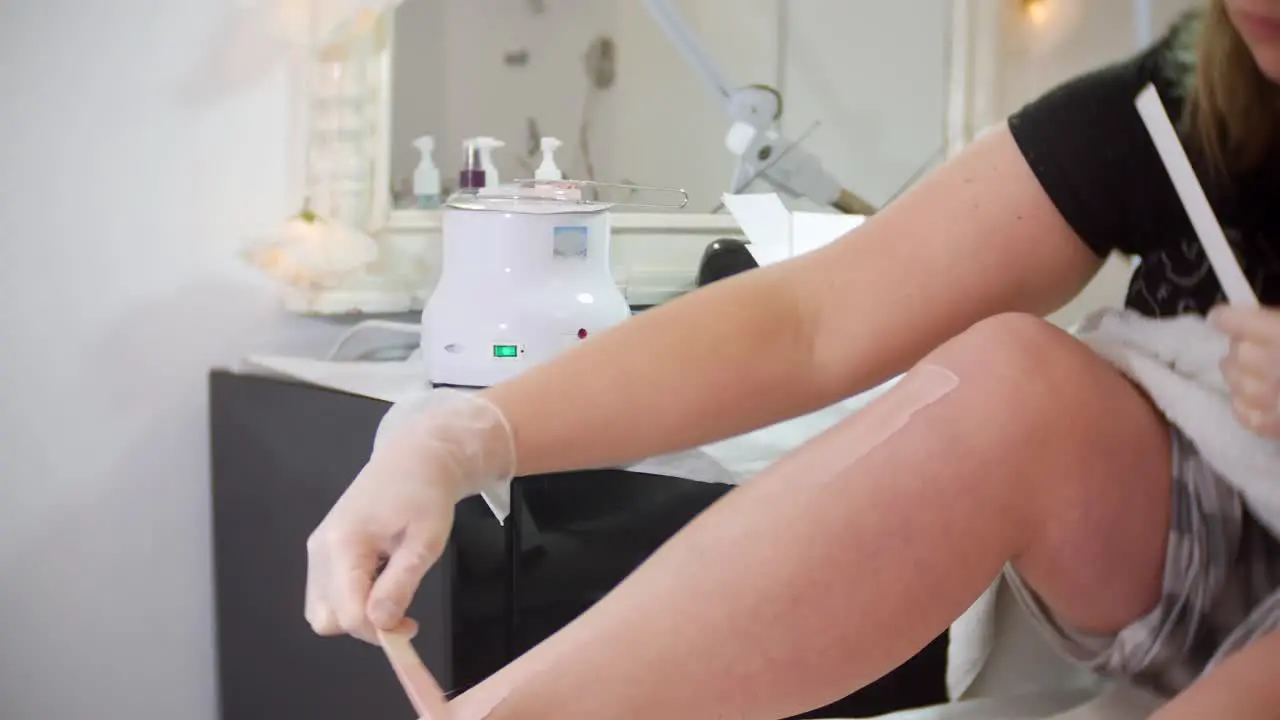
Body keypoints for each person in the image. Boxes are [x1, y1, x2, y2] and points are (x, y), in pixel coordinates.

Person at [304, 0, 1280, 717]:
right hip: (1200, 561)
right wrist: (454, 441)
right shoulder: (1194, 98)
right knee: (1005, 383)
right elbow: (817, 318)